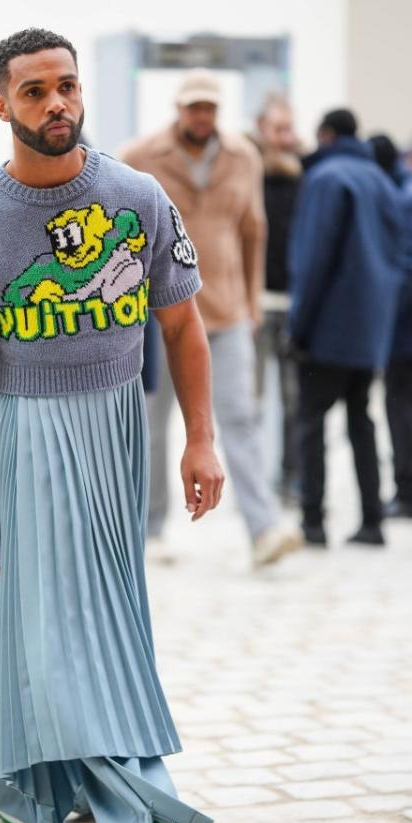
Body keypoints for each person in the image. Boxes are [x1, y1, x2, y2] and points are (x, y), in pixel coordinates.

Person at [0, 27, 224, 823]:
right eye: (33, 92)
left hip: (118, 428)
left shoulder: (136, 196)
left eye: (66, 86)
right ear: (1, 106)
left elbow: (182, 326)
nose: (56, 104)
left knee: (71, 621)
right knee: (82, 640)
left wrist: (199, 437)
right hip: (29, 437)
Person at [121, 69, 302, 566]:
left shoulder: (245, 156)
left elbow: (253, 231)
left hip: (223, 311)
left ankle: (263, 529)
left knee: (239, 417)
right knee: (152, 423)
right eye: (193, 107)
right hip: (157, 313)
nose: (202, 116)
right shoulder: (139, 156)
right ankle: (152, 529)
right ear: (179, 109)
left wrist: (250, 303)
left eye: (210, 108)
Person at [289, 109, 403, 545]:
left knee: (311, 421)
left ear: (326, 135)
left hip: (329, 329)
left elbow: (313, 260)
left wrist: (299, 326)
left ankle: (313, 522)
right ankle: (372, 521)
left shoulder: (326, 178)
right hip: (372, 328)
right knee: (362, 420)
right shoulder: (382, 182)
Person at [252, 93, 302, 503]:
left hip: (293, 303)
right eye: (277, 128)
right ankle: (251, 482)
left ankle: (290, 479)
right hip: (254, 303)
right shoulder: (247, 173)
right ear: (261, 129)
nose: (284, 137)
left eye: (289, 128)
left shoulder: (306, 176)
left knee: (292, 401)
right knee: (249, 401)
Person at [368, 134, 412, 521]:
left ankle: (406, 491)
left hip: (403, 332)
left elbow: (399, 269)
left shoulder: (402, 198)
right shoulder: (398, 191)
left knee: (400, 408)